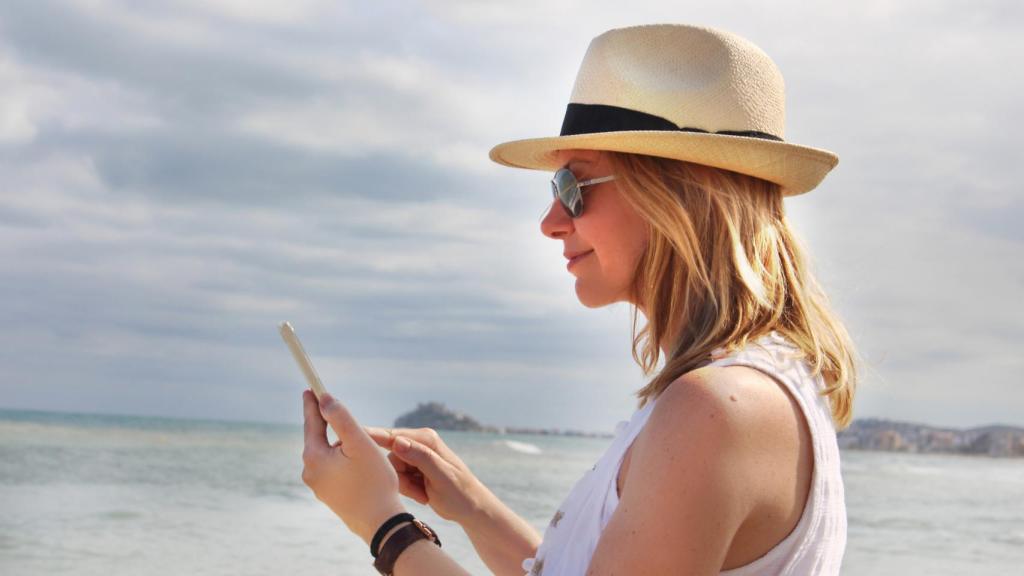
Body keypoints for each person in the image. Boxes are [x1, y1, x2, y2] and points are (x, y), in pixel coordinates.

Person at [300, 23, 858, 575]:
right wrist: (474, 507)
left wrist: (383, 524)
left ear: (676, 196)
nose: (550, 223)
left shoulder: (717, 409)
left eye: (573, 187)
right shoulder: (745, 390)